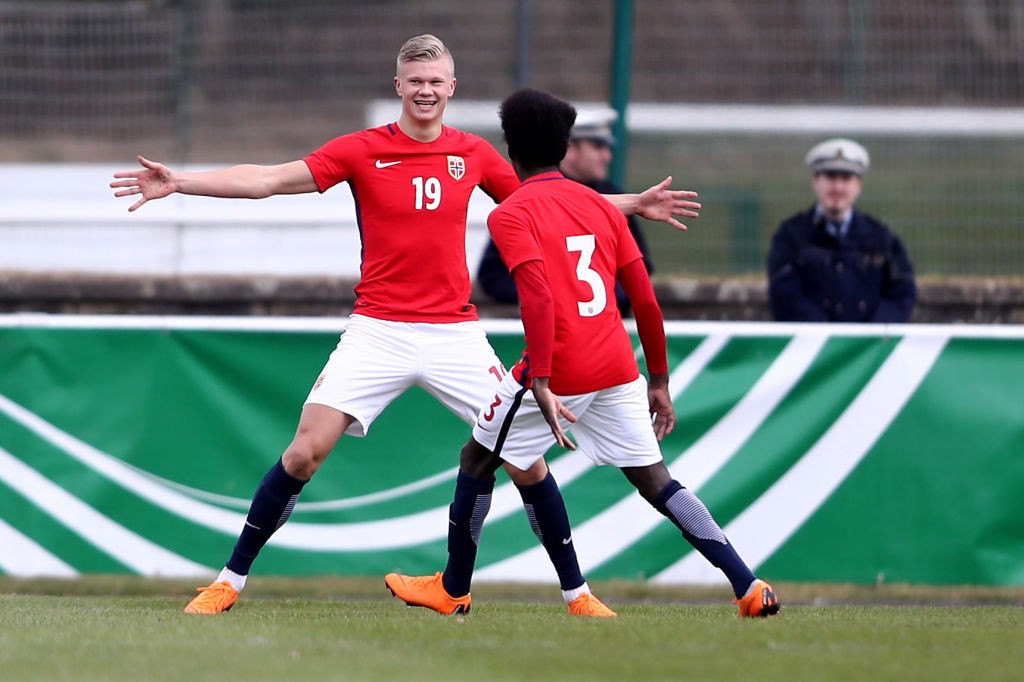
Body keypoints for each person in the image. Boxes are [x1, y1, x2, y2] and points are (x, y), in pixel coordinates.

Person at [109, 34, 701, 615]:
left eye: (435, 82)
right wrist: (181, 182)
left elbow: (547, 200)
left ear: (451, 88)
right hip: (377, 331)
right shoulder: (361, 149)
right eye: (414, 81)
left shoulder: (474, 153)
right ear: (398, 86)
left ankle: (578, 596)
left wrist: (628, 203)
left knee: (526, 461)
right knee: (303, 454)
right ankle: (228, 582)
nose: (425, 91)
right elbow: (268, 179)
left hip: (456, 335)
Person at [385, 88, 781, 619]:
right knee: (657, 479)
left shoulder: (510, 213)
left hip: (561, 367)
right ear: (566, 147)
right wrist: (658, 380)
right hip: (619, 365)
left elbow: (539, 297)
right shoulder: (601, 206)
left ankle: (453, 589)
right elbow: (643, 297)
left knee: (477, 457)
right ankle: (748, 585)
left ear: (510, 150)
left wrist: (542, 380)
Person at [476, 107, 654, 315]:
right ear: (569, 148)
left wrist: (603, 299)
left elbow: (640, 267)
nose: (606, 156)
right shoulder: (529, 199)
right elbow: (492, 276)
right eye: (597, 146)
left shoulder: (614, 195)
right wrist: (547, 299)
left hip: (606, 322)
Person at [767, 138, 917, 322]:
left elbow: (903, 291)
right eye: (830, 177)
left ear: (858, 185)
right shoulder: (790, 236)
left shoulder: (882, 238)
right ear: (815, 181)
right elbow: (784, 295)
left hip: (869, 349)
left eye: (846, 178)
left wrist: (871, 336)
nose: (838, 187)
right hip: (811, 347)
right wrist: (828, 338)